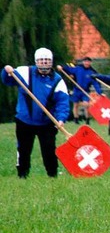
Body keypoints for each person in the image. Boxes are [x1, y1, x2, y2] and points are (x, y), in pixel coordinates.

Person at [1, 47, 69, 178]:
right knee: (23, 150)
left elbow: (62, 102)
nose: (44, 63)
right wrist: (6, 71)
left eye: (47, 60)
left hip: (47, 123)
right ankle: (22, 175)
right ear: (36, 61)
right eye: (41, 60)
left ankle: (52, 175)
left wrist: (61, 119)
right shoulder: (24, 72)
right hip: (24, 121)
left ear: (51, 62)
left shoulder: (58, 80)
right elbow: (7, 81)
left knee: (49, 150)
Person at [60, 56, 102, 124]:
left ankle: (87, 120)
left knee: (86, 105)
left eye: (88, 61)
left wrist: (99, 92)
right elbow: (69, 69)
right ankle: (76, 119)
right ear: (83, 62)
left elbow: (95, 83)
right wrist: (62, 67)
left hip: (85, 91)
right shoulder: (78, 69)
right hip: (77, 89)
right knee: (75, 104)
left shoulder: (92, 72)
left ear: (90, 62)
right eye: (85, 61)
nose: (86, 63)